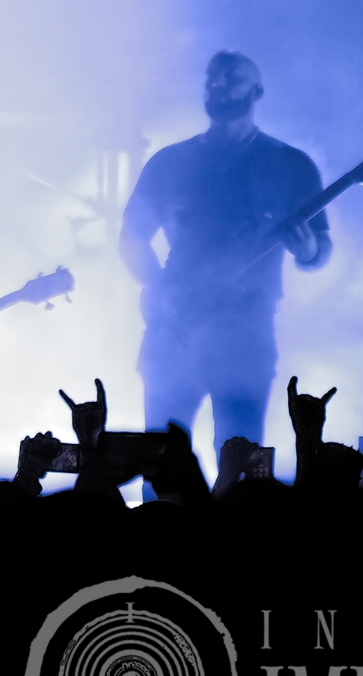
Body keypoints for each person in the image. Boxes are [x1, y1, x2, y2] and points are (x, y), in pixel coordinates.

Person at [118, 51, 330, 460]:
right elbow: (131, 238)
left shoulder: (290, 165)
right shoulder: (170, 162)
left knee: (242, 457)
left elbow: (321, 248)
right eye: (211, 78)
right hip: (174, 331)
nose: (218, 86)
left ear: (257, 91)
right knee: (161, 459)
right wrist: (161, 289)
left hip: (246, 333)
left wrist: (308, 252)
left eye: (231, 79)